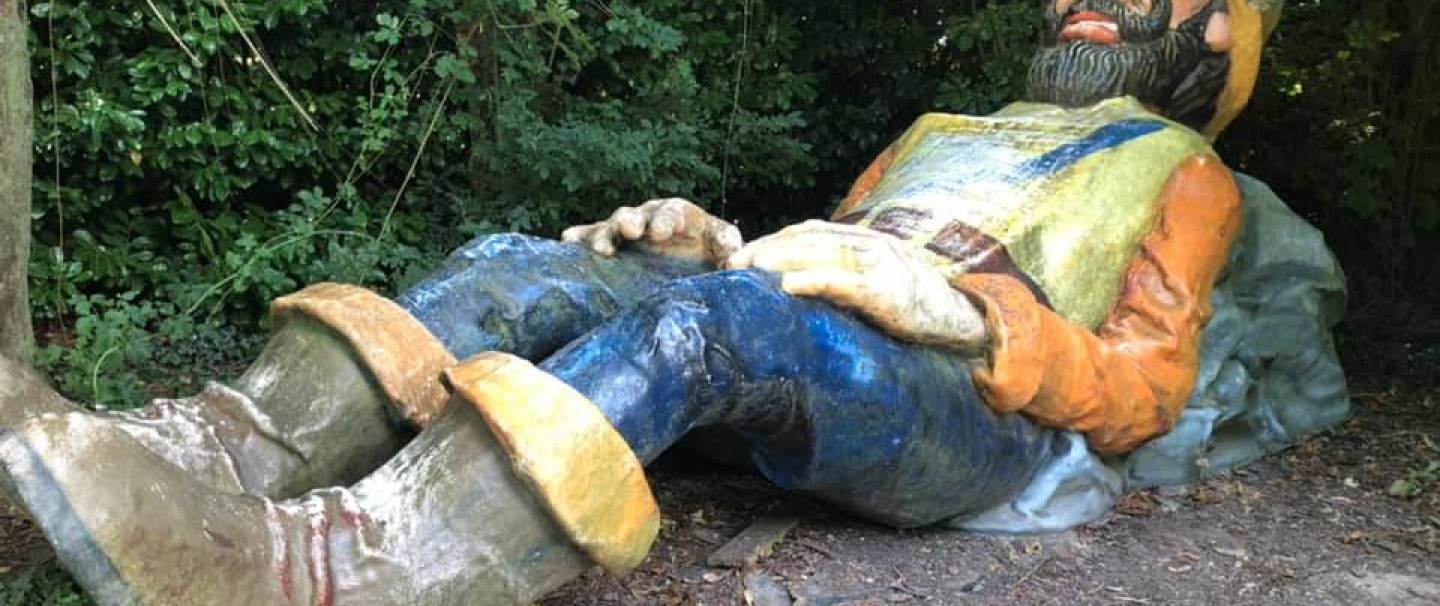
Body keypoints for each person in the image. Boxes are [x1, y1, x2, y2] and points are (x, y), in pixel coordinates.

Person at [0, 1, 1314, 605]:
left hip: (971, 408)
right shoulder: (939, 126)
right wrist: (723, 240)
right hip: (829, 345)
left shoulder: (1183, 172)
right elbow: (827, 262)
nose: (1092, 2)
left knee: (708, 329)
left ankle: (333, 567)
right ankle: (210, 445)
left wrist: (968, 312)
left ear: (1214, 34)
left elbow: (1145, 390)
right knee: (527, 261)